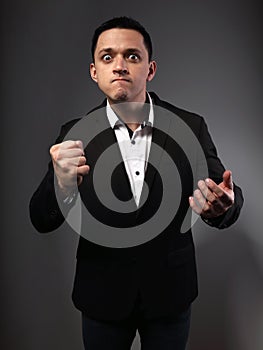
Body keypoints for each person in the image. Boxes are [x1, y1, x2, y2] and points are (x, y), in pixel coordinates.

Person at [30, 16, 243, 350]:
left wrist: (222, 207)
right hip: (101, 296)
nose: (119, 66)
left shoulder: (190, 126)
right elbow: (41, 218)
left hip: (171, 296)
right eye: (107, 57)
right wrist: (61, 183)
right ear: (94, 71)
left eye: (132, 56)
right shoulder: (75, 133)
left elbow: (225, 194)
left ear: (150, 68)